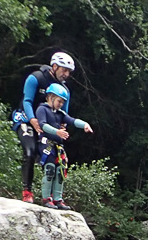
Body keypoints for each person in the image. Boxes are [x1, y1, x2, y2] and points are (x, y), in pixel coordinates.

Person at [14, 51, 75, 204]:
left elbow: (63, 114)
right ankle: (27, 192)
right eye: (64, 70)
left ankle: (51, 197)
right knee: (30, 152)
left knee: (53, 159)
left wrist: (62, 128)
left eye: (69, 72)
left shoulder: (64, 90)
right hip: (27, 120)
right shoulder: (36, 78)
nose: (66, 74)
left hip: (46, 127)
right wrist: (33, 120)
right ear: (54, 66)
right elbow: (27, 101)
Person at [34, 81, 92, 209]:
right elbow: (42, 125)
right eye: (59, 101)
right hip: (47, 144)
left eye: (62, 102)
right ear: (51, 97)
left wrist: (84, 125)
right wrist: (57, 132)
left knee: (60, 172)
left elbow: (71, 120)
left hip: (58, 147)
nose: (61, 105)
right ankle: (46, 198)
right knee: (49, 170)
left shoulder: (60, 114)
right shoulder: (42, 109)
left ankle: (58, 199)